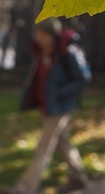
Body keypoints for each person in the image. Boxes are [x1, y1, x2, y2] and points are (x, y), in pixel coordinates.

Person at [5, 17, 91, 194]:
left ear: (53, 34)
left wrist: (61, 94)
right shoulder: (42, 53)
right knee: (63, 143)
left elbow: (83, 78)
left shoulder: (68, 51)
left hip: (60, 107)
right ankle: (78, 178)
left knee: (43, 147)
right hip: (47, 106)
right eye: (38, 33)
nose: (39, 37)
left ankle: (24, 188)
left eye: (43, 34)